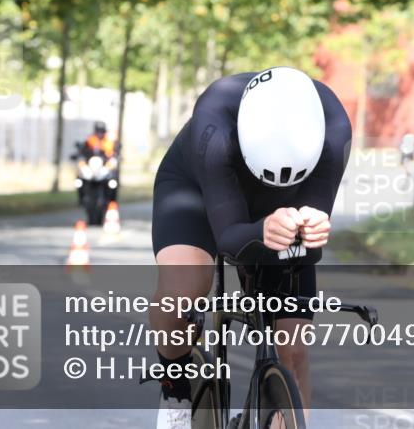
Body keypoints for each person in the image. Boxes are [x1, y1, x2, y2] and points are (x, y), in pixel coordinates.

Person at [148, 67, 351, 428]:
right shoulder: (215, 115)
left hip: (288, 203)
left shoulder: (334, 130)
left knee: (293, 348)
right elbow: (228, 239)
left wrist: (313, 229)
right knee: (182, 291)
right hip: (196, 189)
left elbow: (310, 247)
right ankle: (174, 385)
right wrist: (262, 230)